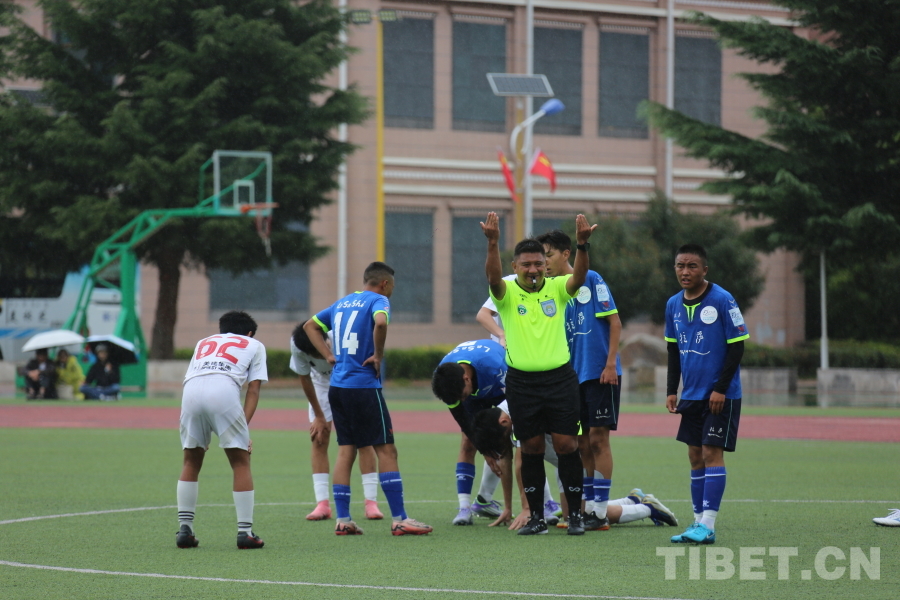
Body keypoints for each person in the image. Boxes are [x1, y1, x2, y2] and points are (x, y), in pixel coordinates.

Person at [481, 211, 595, 535]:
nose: (533, 269)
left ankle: (575, 517)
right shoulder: (506, 292)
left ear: (546, 266)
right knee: (530, 448)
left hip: (560, 380)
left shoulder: (557, 288)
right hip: (521, 383)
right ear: (515, 267)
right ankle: (536, 519)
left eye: (538, 263)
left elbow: (579, 278)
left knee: (567, 445)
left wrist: (582, 245)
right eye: (526, 264)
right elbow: (492, 278)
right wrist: (492, 243)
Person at [303, 261, 432, 536]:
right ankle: (400, 519)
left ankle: (343, 519)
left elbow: (309, 326)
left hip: (338, 387)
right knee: (386, 449)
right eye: (392, 287)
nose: (392, 291)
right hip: (363, 386)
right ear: (384, 284)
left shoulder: (342, 303)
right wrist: (378, 355)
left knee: (346, 450)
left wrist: (329, 355)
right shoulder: (379, 301)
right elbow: (381, 323)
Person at [472, 403, 679, 529]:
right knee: (572, 516)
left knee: (582, 516)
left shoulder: (519, 411)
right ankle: (631, 499)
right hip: (562, 465)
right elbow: (511, 461)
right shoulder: (503, 417)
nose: (506, 445)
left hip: (575, 462)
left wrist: (528, 509)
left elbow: (521, 464)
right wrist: (508, 507)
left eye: (503, 441)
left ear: (504, 423)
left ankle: (647, 508)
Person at [537, 229, 622, 531]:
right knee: (581, 443)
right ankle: (586, 510)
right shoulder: (549, 291)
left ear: (565, 254)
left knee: (598, 439)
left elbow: (614, 322)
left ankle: (599, 512)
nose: (544, 262)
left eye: (548, 255)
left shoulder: (591, 279)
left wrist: (610, 364)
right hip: (571, 379)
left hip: (599, 373)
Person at [665, 244, 748, 545]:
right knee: (694, 456)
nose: (685, 272)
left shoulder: (723, 299)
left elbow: (737, 346)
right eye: (680, 265)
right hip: (691, 394)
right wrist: (671, 390)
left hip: (720, 395)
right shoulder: (673, 304)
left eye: (692, 266)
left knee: (712, 453)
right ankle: (698, 522)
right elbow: (673, 349)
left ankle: (708, 525)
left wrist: (720, 389)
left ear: (704, 270)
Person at [175, 310, 268, 550]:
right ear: (249, 333)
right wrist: (243, 429)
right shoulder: (254, 344)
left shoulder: (203, 342)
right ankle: (245, 532)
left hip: (190, 393)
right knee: (240, 461)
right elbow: (253, 389)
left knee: (191, 460)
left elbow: (196, 376)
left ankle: (185, 529)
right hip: (224, 390)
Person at [289, 323, 384, 521]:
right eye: (314, 355)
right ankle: (322, 505)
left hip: (352, 382)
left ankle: (371, 503)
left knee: (363, 441)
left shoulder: (343, 335)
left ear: (326, 339)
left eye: (320, 351)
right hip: (321, 385)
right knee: (319, 438)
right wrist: (319, 416)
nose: (319, 357)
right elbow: (305, 378)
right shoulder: (297, 345)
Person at [431, 339, 513, 526]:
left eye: (462, 396)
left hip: (499, 389)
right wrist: (484, 449)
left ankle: (544, 502)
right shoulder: (445, 379)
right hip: (475, 395)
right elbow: (462, 418)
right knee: (468, 442)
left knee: (509, 437)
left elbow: (515, 399)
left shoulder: (495, 367)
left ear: (466, 379)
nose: (460, 400)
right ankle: (464, 509)